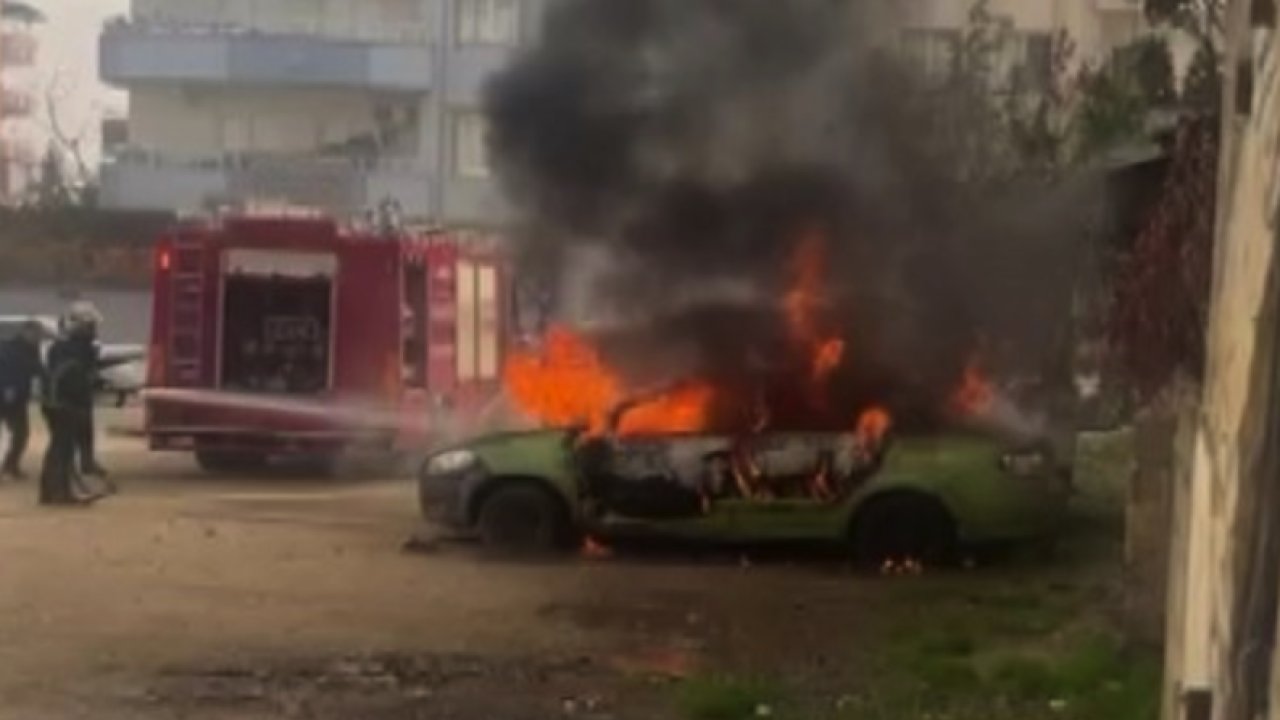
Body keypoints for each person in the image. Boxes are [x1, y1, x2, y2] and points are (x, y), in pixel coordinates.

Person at [40, 306, 104, 506]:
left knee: (60, 449)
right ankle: (59, 493)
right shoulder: (71, 349)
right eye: (89, 326)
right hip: (64, 404)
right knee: (62, 450)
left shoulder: (64, 347)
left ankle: (53, 492)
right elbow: (74, 378)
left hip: (59, 403)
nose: (93, 330)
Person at [0, 321, 46, 479]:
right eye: (36, 334)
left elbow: (37, 369)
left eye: (40, 335)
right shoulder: (9, 347)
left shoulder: (33, 349)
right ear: (26, 332)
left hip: (19, 398)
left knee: (21, 434)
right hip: (4, 395)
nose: (39, 338)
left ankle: (10, 465)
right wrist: (7, 386)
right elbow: (4, 369)